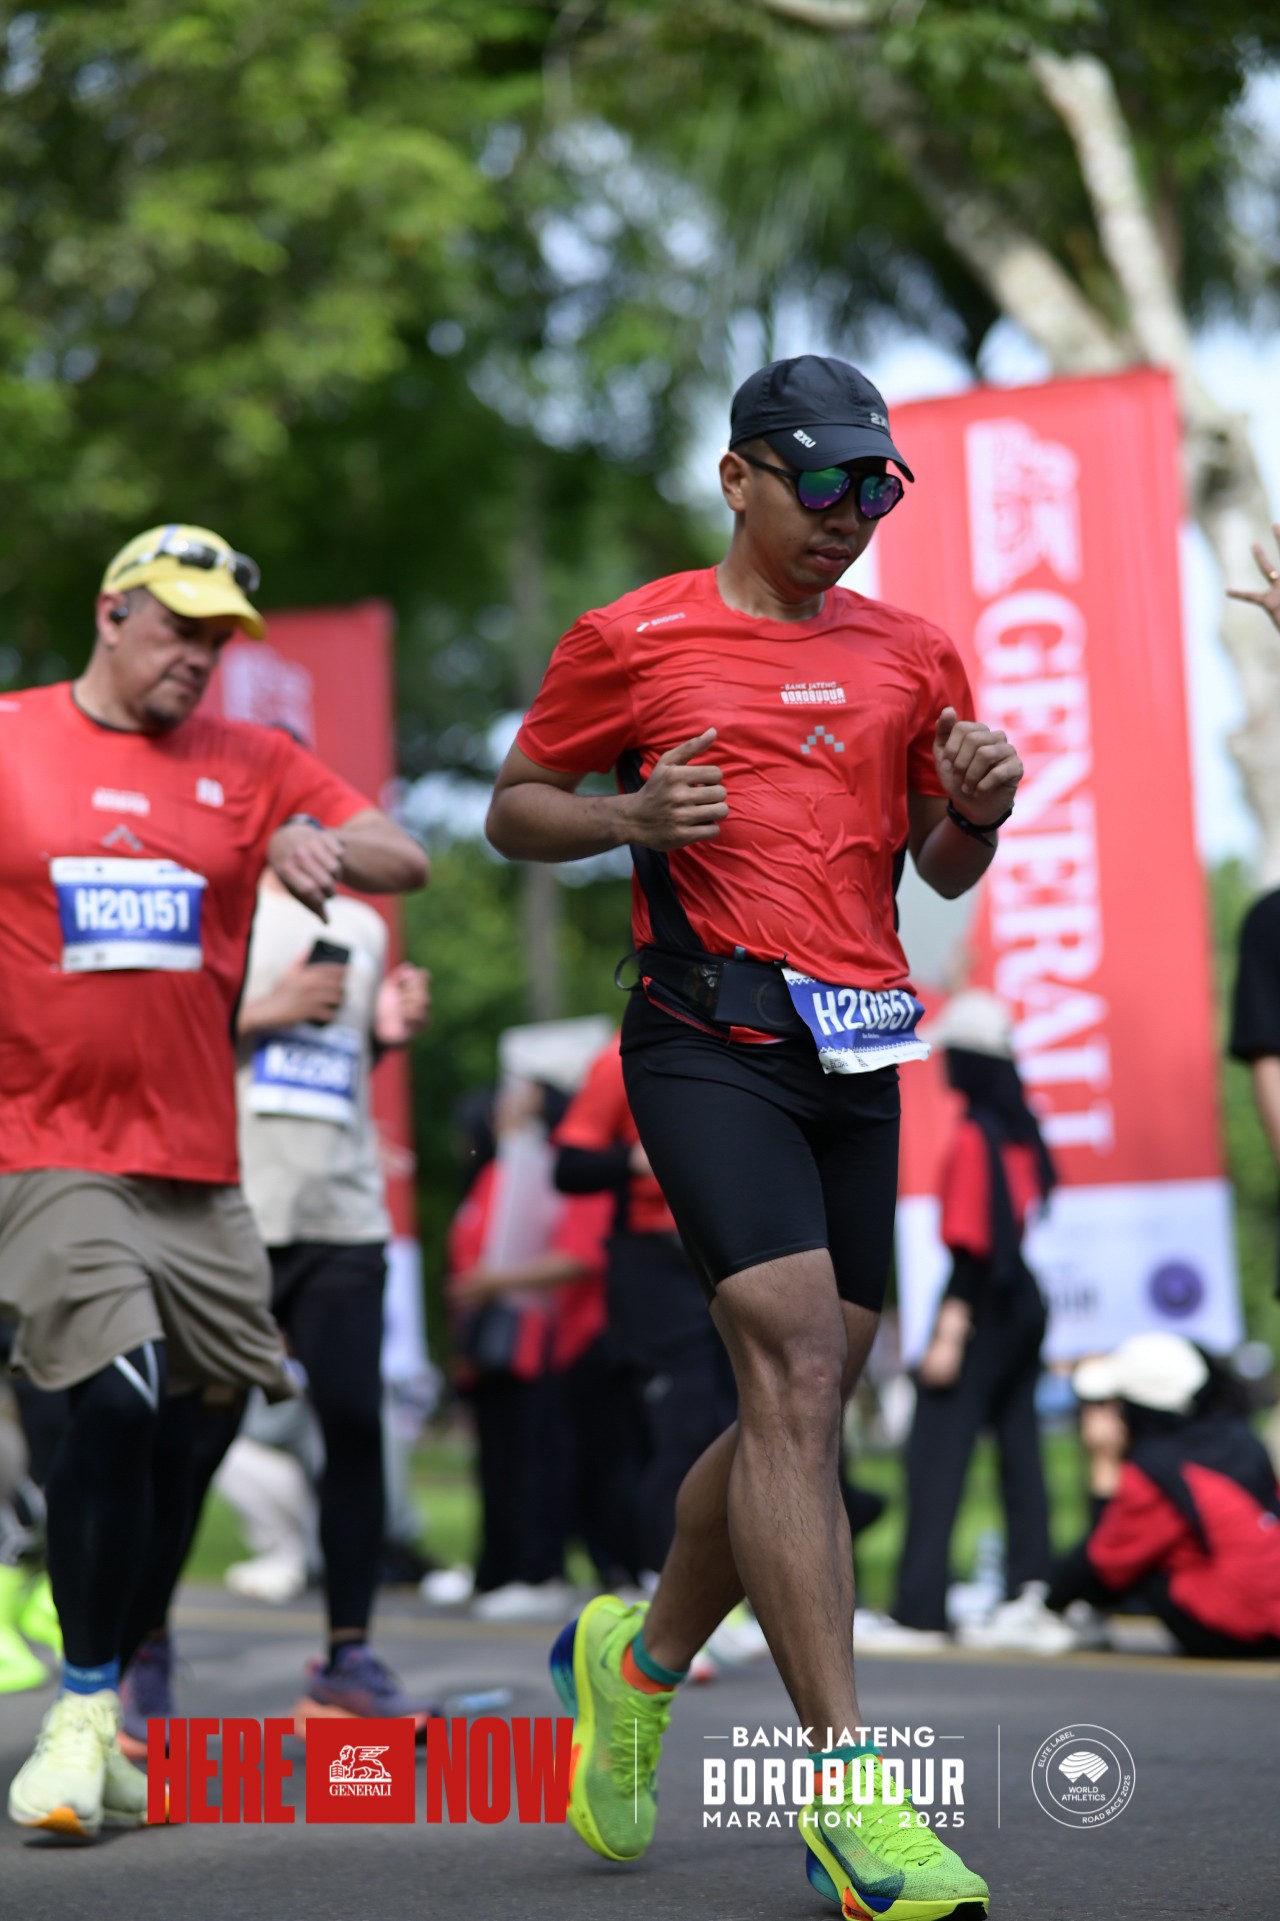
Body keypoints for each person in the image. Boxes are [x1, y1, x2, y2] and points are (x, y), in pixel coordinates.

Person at [487, 354, 1023, 1917]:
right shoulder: (633, 637)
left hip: (856, 1048)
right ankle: (852, 1792)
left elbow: (938, 868)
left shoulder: (913, 651)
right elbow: (517, 802)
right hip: (703, 1034)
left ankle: (639, 1659)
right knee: (791, 1369)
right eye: (823, 481)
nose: (851, 514)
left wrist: (978, 807)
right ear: (739, 477)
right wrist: (625, 820)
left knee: (809, 1391)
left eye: (879, 487)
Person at [1, 524, 426, 1837]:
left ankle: (119, 1666)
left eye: (218, 638)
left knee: (203, 1424)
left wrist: (309, 836)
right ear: (111, 613)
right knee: (118, 1398)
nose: (199, 655)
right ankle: (89, 1706)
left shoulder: (249, 760)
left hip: (202, 1171)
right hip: (52, 1148)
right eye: (178, 627)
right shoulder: (12, 739)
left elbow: (401, 856)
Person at [120, 870, 434, 1738]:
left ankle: (347, 1663)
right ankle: (142, 1648)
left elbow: (332, 1068)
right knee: (196, 1438)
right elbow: (147, 1042)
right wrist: (267, 1009)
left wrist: (383, 1036)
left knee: (356, 1425)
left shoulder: (364, 926)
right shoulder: (211, 901)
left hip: (344, 1215)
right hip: (232, 1214)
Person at [862, 991, 1058, 1652]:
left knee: (935, 1450)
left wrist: (950, 1328)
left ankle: (921, 1609)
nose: (942, 1063)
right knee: (1020, 1445)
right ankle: (1031, 1592)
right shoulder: (1019, 1127)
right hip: (1022, 1299)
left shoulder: (976, 1133)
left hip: (982, 1302)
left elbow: (976, 1245)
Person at [553, 1031, 737, 1579]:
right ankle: (667, 1589)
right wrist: (638, 1159)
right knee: (683, 1432)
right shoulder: (624, 1054)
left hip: (737, 1256)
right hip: (658, 1267)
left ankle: (741, 1589)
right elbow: (569, 1167)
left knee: (746, 1427)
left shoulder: (754, 1038)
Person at [442, 1082, 615, 1622]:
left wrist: (494, 1282)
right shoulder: (494, 1173)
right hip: (493, 1342)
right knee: (500, 1460)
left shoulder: (550, 1170)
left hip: (542, 1338)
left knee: (537, 1459)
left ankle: (540, 1571)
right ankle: (498, 1568)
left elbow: (576, 1256)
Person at [1045, 1333, 1280, 1657]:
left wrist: (1104, 1464)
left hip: (1240, 1622)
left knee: (1143, 1560)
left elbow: (1105, 1559)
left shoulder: (1157, 1469)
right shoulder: (1240, 1440)